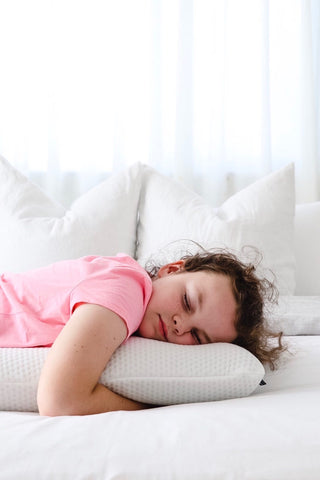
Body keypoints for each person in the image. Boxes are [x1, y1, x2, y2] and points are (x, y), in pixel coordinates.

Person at [0, 249, 284, 416]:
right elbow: (60, 401)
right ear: (171, 270)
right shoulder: (126, 288)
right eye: (186, 301)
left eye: (197, 337)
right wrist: (153, 403)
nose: (180, 325)